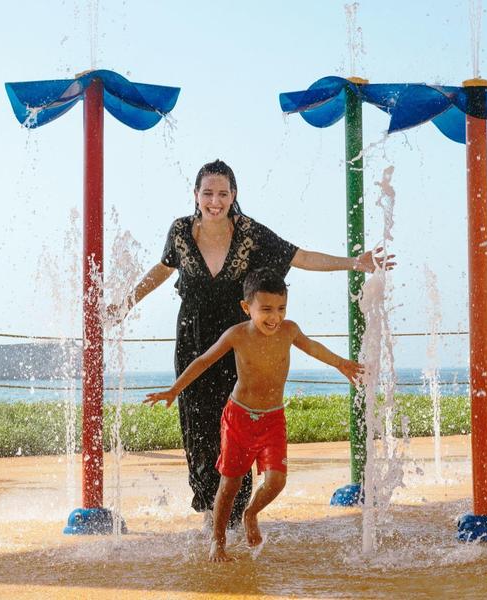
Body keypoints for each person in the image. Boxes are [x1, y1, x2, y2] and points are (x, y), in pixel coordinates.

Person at [108, 159, 392, 529]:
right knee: (198, 427)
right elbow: (162, 270)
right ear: (196, 195)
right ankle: (211, 511)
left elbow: (300, 257)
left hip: (240, 344)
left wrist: (356, 262)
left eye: (222, 193)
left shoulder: (249, 232)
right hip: (192, 341)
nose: (215, 201)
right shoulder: (179, 231)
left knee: (236, 430)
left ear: (233, 195)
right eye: (207, 193)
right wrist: (125, 304)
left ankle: (235, 514)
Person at [144, 268, 362, 561]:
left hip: (273, 418)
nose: (275, 317)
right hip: (240, 418)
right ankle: (218, 541)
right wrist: (174, 390)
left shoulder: (289, 330)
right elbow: (203, 361)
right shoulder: (237, 335)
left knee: (276, 481)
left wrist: (341, 363)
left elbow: (313, 348)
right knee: (230, 484)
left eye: (281, 308)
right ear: (247, 308)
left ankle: (251, 513)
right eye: (267, 309)